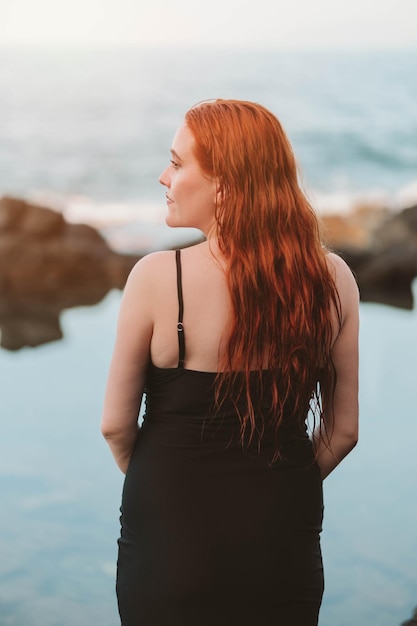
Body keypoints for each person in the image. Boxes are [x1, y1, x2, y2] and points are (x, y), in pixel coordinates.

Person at [101, 99, 359, 626]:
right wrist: (276, 488)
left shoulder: (156, 278)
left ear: (224, 183)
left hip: (169, 538)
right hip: (282, 537)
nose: (162, 176)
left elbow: (114, 427)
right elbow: (344, 432)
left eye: (177, 163)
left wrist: (171, 485)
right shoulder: (333, 280)